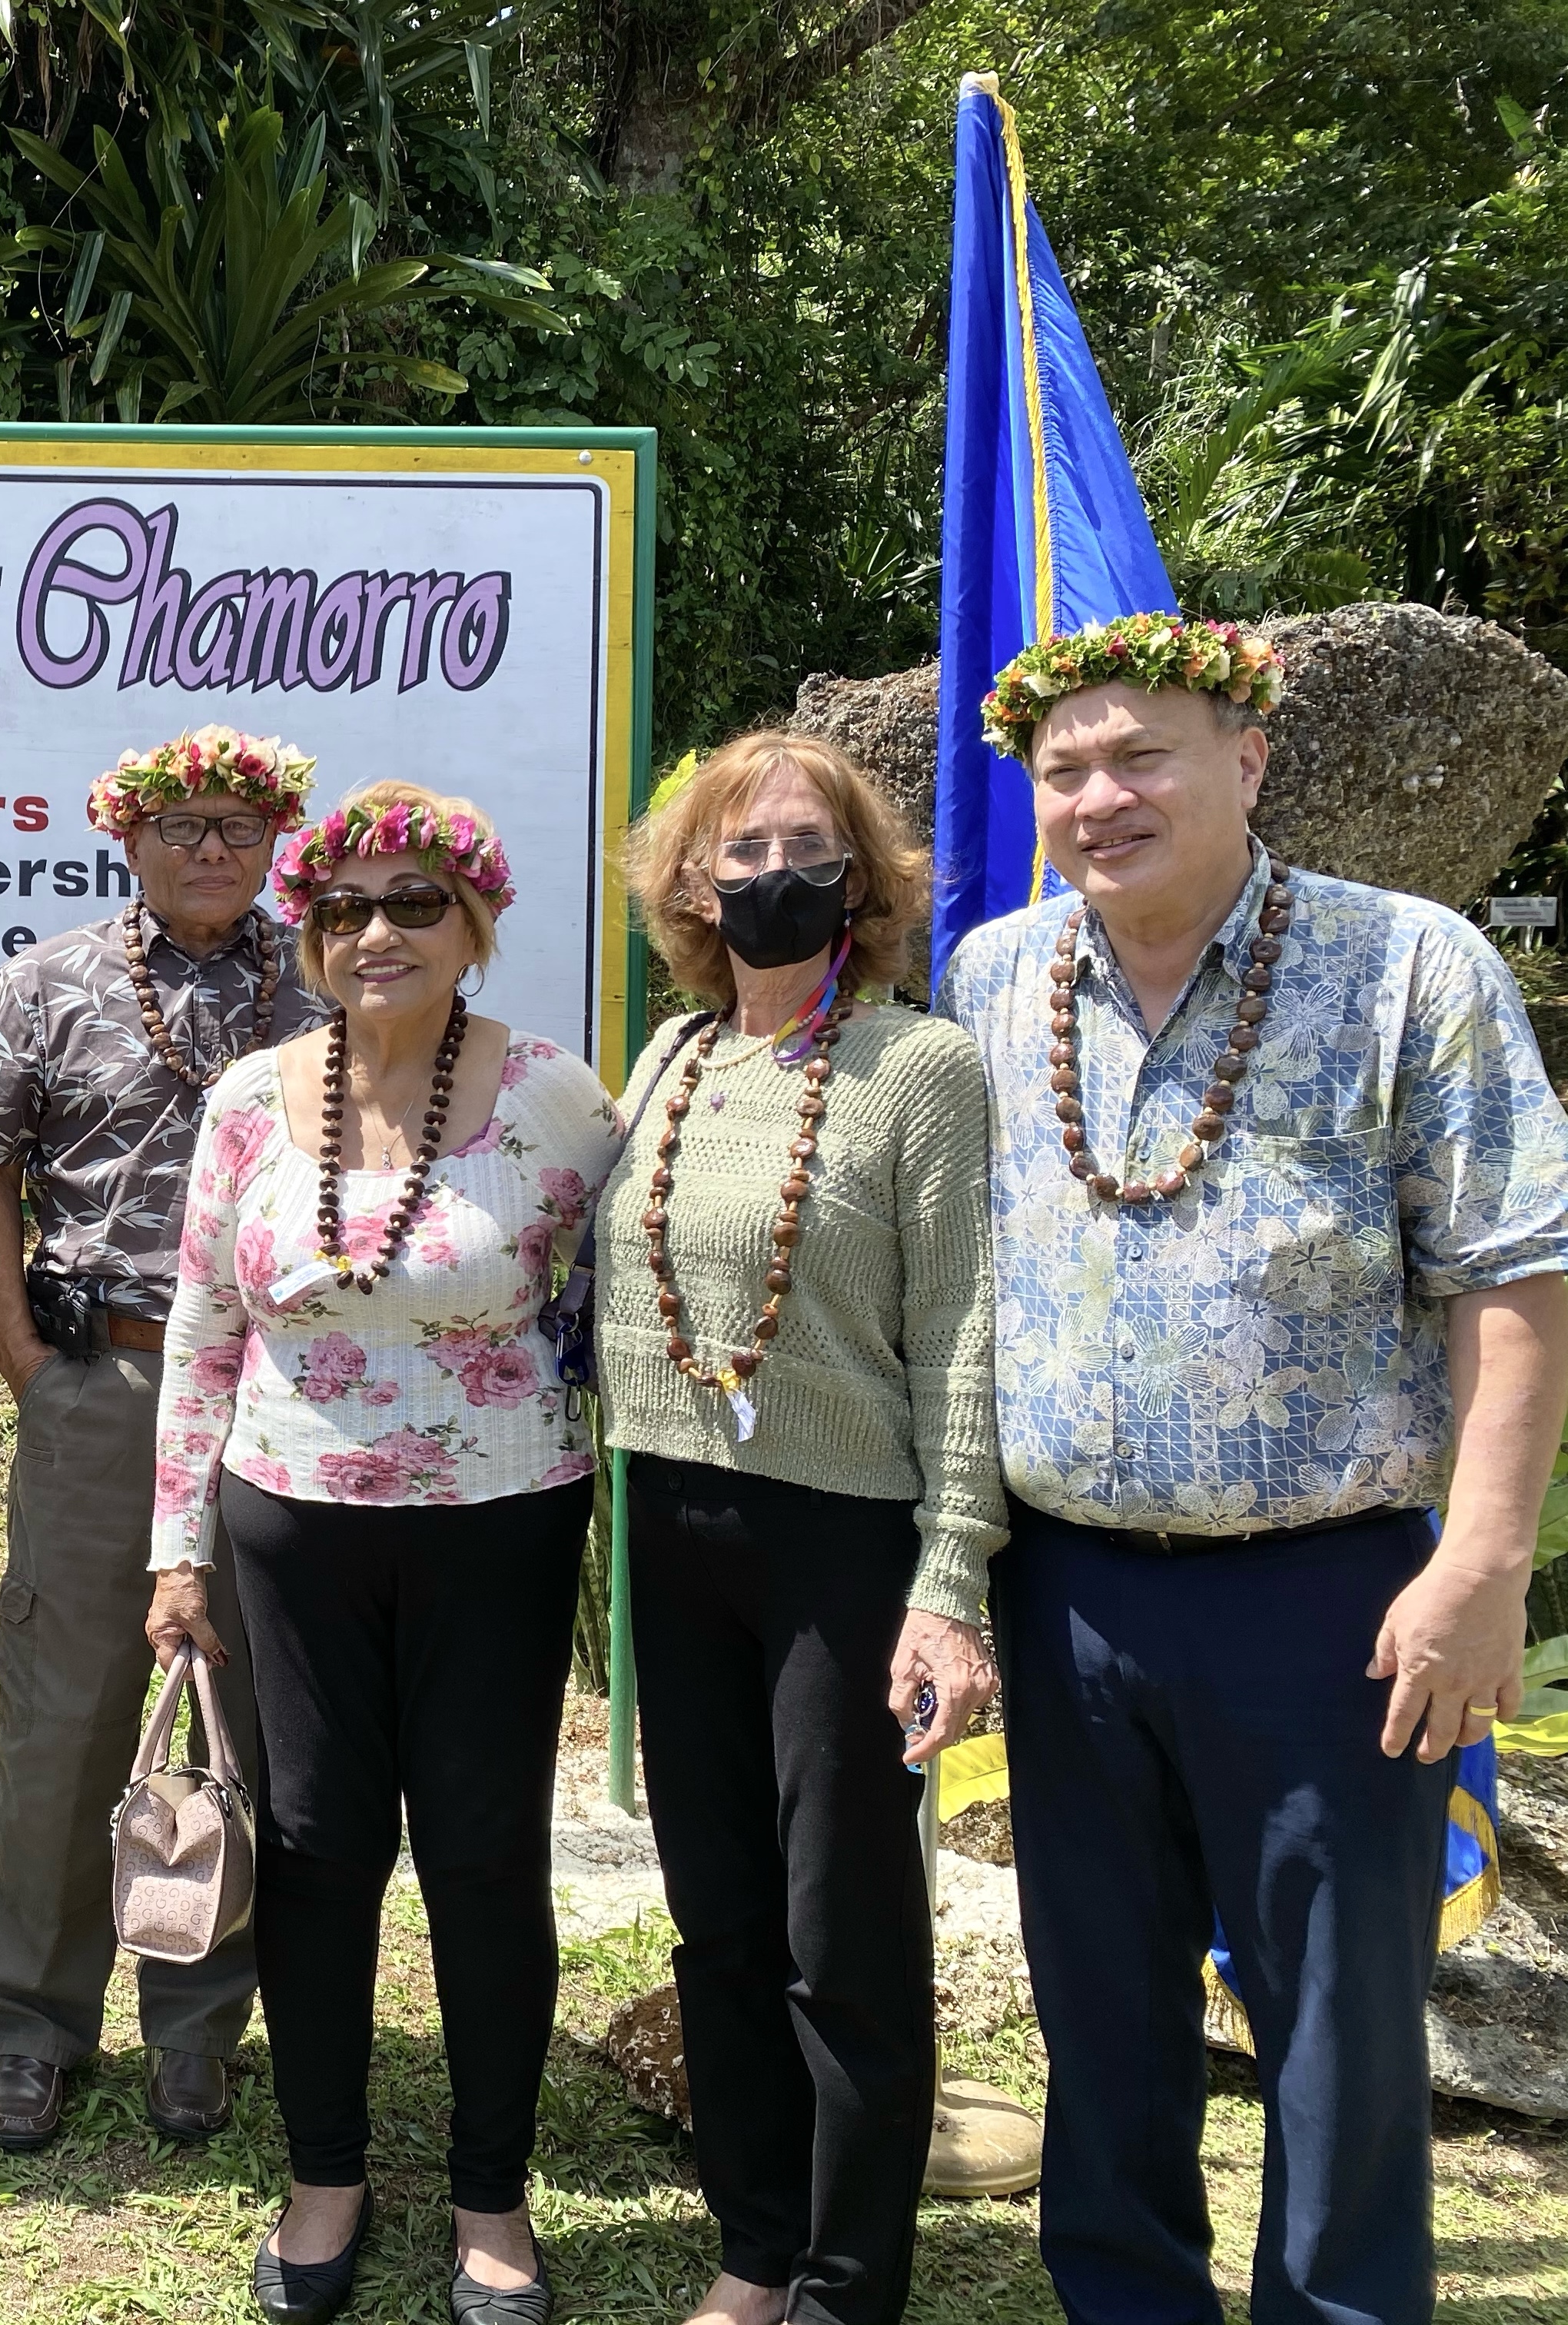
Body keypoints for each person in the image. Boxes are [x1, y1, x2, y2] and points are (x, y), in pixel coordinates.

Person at [938, 613, 1568, 2325]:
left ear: (1249, 759)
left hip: (1331, 1593)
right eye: (1063, 768)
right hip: (1061, 1587)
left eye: (1141, 754)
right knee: (1103, 2010)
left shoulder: (1410, 967)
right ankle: (1127, 2299)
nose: (1098, 795)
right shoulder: (994, 979)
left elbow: (1511, 1276)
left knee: (1337, 2022)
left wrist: (1483, 1564)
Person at [147, 782, 623, 2325]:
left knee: (486, 1861)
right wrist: (174, 1553)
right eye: (343, 907)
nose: (376, 932)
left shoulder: (557, 1098)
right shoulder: (245, 1101)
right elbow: (204, 1331)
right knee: (317, 1852)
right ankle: (325, 2174)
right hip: (292, 1531)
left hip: (503, 1529)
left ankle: (493, 2201)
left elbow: (638, 1314)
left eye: (416, 901)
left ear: (476, 923)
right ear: (308, 931)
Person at [594, 732, 1005, 2325]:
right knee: (718, 1910)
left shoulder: (922, 1068)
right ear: (694, 884)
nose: (772, 874)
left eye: (806, 847)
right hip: (667, 1519)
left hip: (845, 1539)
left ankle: (848, 2280)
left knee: (842, 1923)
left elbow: (963, 1332)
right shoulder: (670, 1062)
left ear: (864, 877)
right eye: (739, 851)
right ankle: (754, 2248)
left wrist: (951, 1576)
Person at [0, 726, 330, 2150]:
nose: (212, 848)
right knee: (64, 1715)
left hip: (283, 1397)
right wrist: (24, 1362)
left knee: (238, 1719)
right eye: (180, 824)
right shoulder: (48, 980)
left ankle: (196, 2023)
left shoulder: (329, 978)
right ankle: (35, 2025)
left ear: (275, 838)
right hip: (103, 1385)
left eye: (239, 824)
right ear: (127, 837)